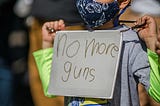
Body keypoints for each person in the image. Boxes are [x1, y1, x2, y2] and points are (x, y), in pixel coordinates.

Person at [33, 0, 160, 106]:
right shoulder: (73, 40)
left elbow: (157, 93)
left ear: (122, 2)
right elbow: (52, 88)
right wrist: (48, 44)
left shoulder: (132, 43)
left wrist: (151, 45)